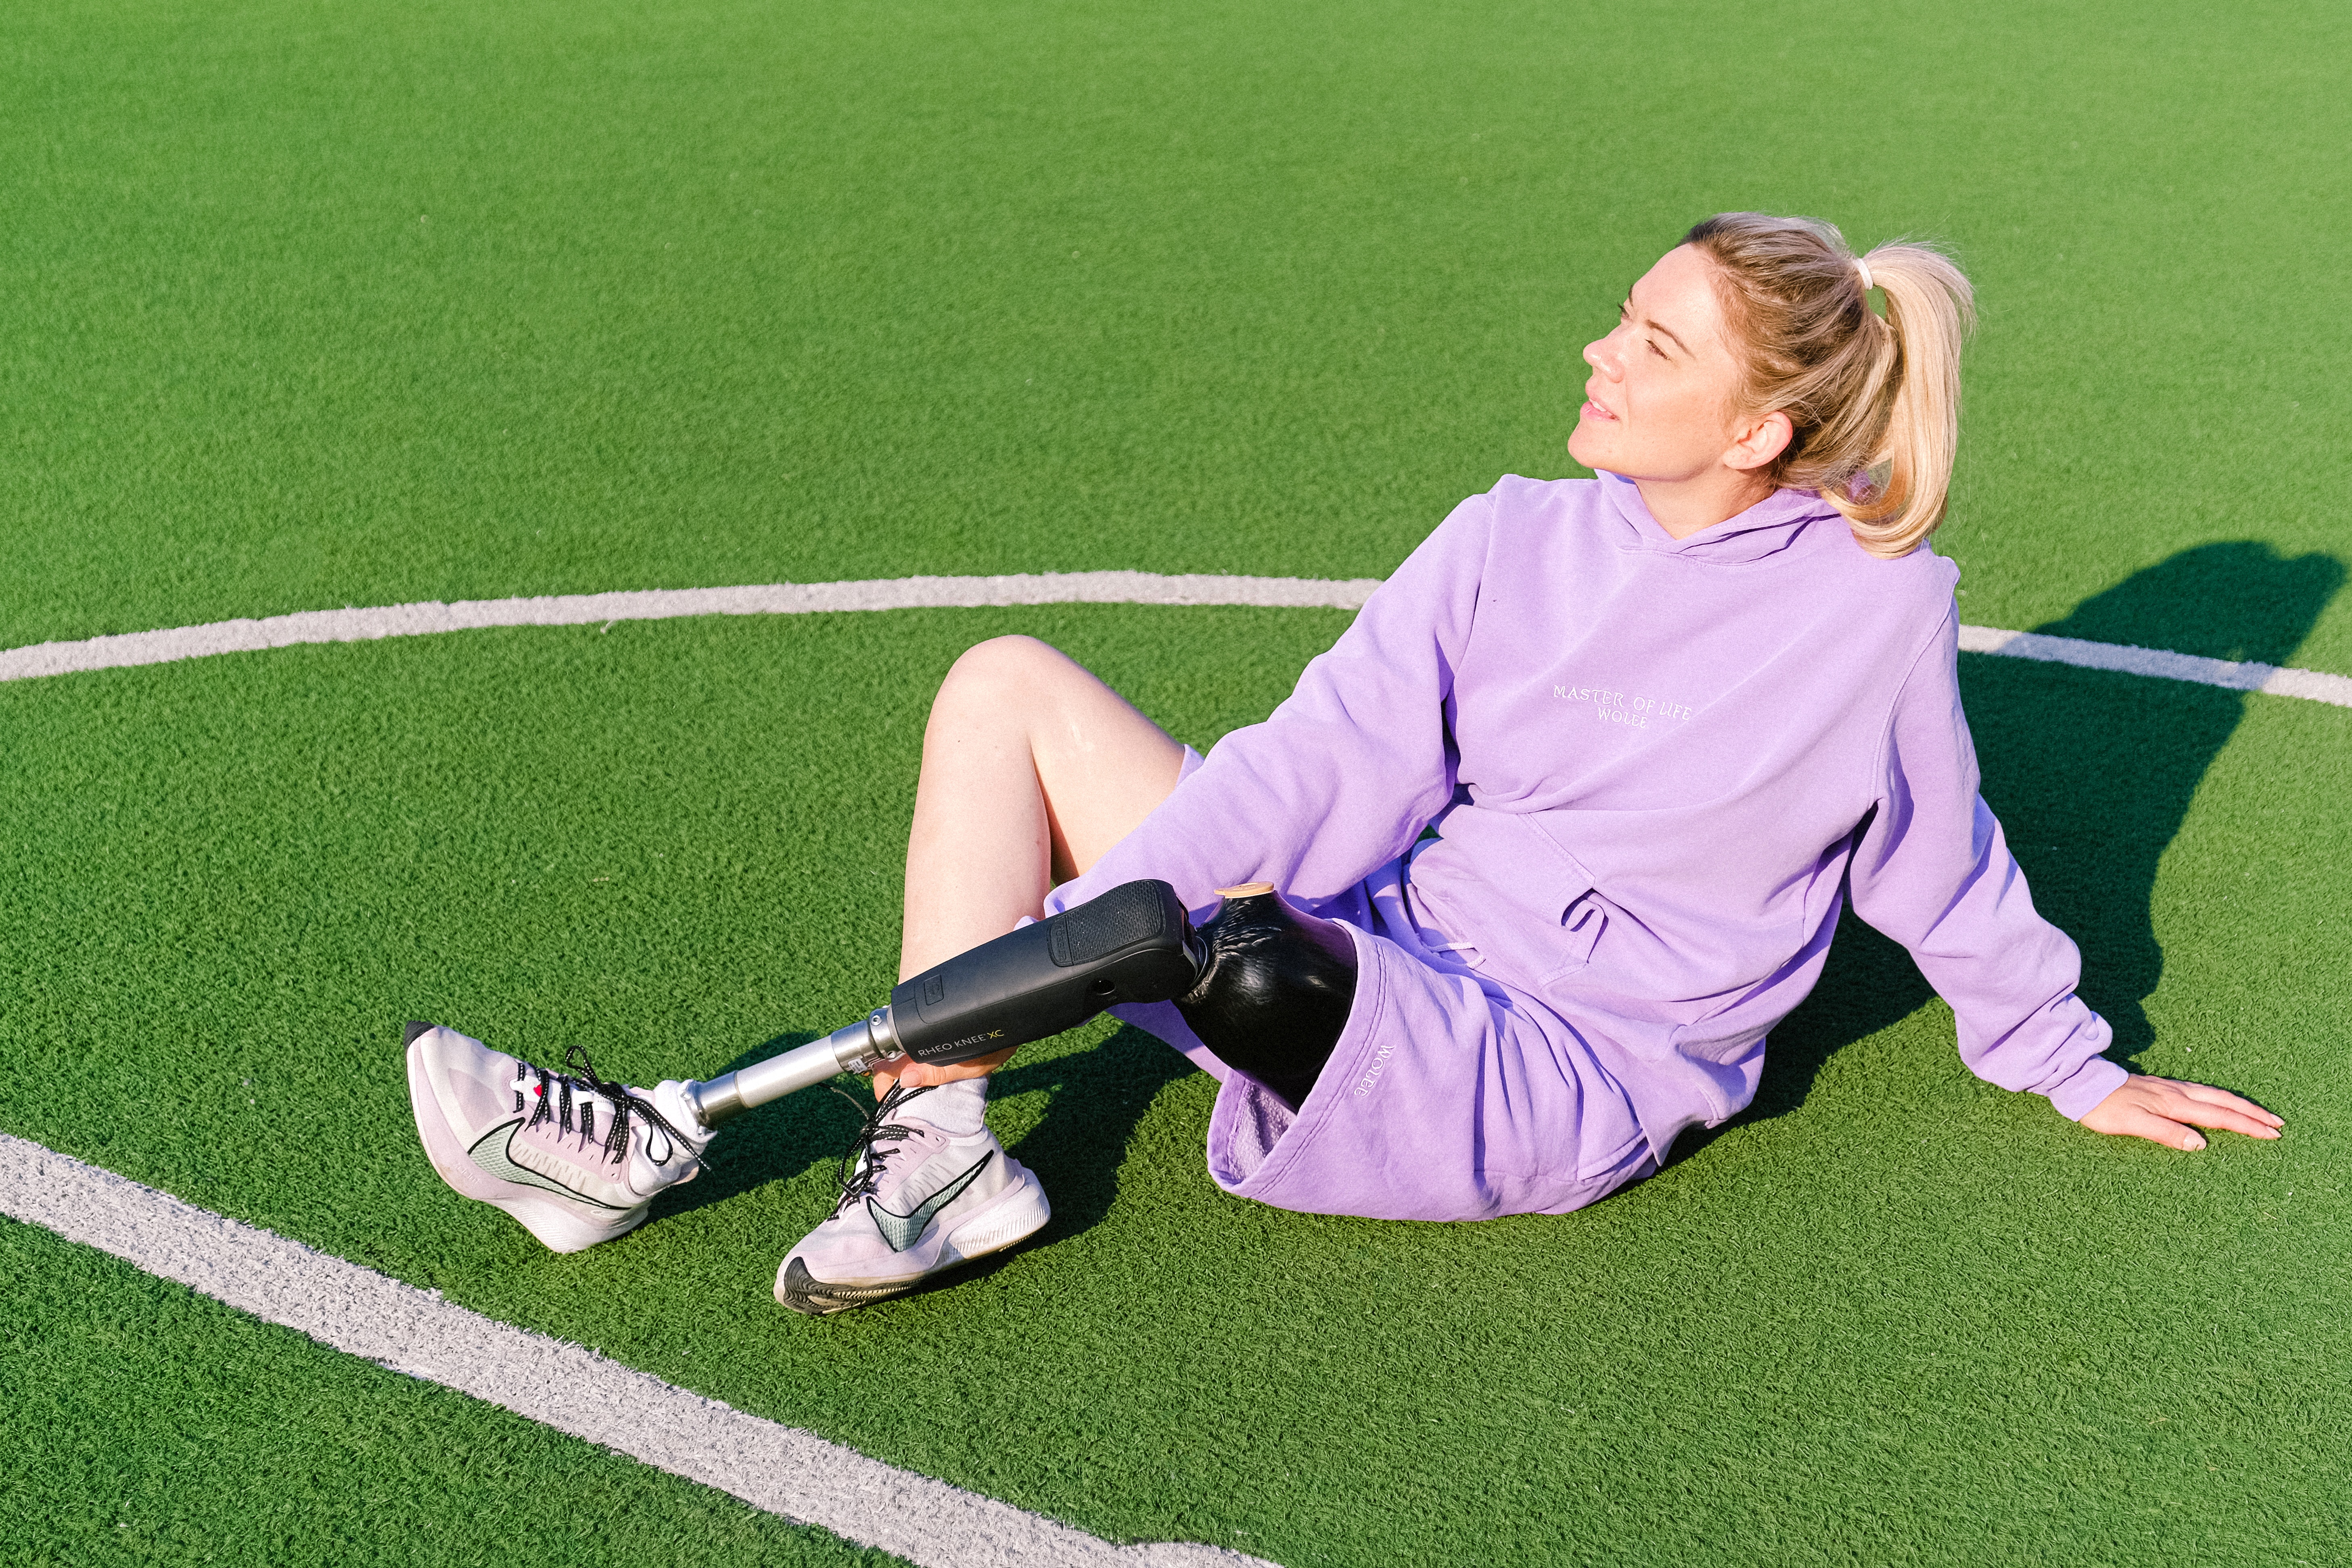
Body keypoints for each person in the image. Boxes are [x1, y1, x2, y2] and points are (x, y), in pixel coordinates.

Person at [406, 213, 2283, 1313]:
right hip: (1403, 923)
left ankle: (697, 1126)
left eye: (1654, 341)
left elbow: (1936, 870)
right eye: (1621, 318)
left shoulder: (1869, 621)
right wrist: (1111, 912)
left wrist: (2068, 1063)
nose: (1599, 350)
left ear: (1765, 418)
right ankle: (941, 1144)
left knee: (1233, 955)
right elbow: (1323, 764)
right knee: (1009, 689)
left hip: (1556, 1065)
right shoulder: (1504, 537)